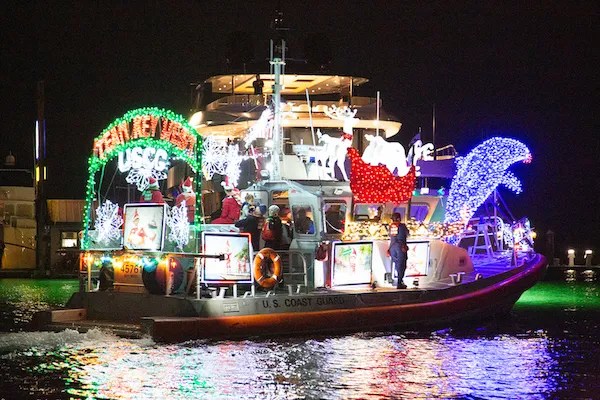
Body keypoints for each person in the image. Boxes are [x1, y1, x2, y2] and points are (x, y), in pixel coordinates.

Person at [388, 212, 409, 289]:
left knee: (397, 265)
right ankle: (399, 282)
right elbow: (406, 234)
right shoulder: (402, 226)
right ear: (399, 218)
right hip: (400, 247)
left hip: (392, 247)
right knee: (402, 265)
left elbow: (391, 237)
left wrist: (389, 249)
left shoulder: (391, 226)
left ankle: (399, 281)